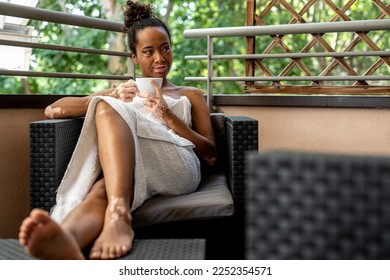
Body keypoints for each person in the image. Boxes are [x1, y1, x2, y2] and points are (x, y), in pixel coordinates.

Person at [18, 0, 216, 260]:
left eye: (165, 48)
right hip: (130, 167)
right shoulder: (122, 93)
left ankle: (118, 214)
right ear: (134, 57)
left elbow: (211, 155)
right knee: (103, 188)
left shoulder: (189, 94)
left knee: (107, 110)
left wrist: (169, 116)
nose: (160, 58)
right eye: (148, 51)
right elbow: (54, 109)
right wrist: (113, 94)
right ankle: (67, 242)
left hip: (177, 166)